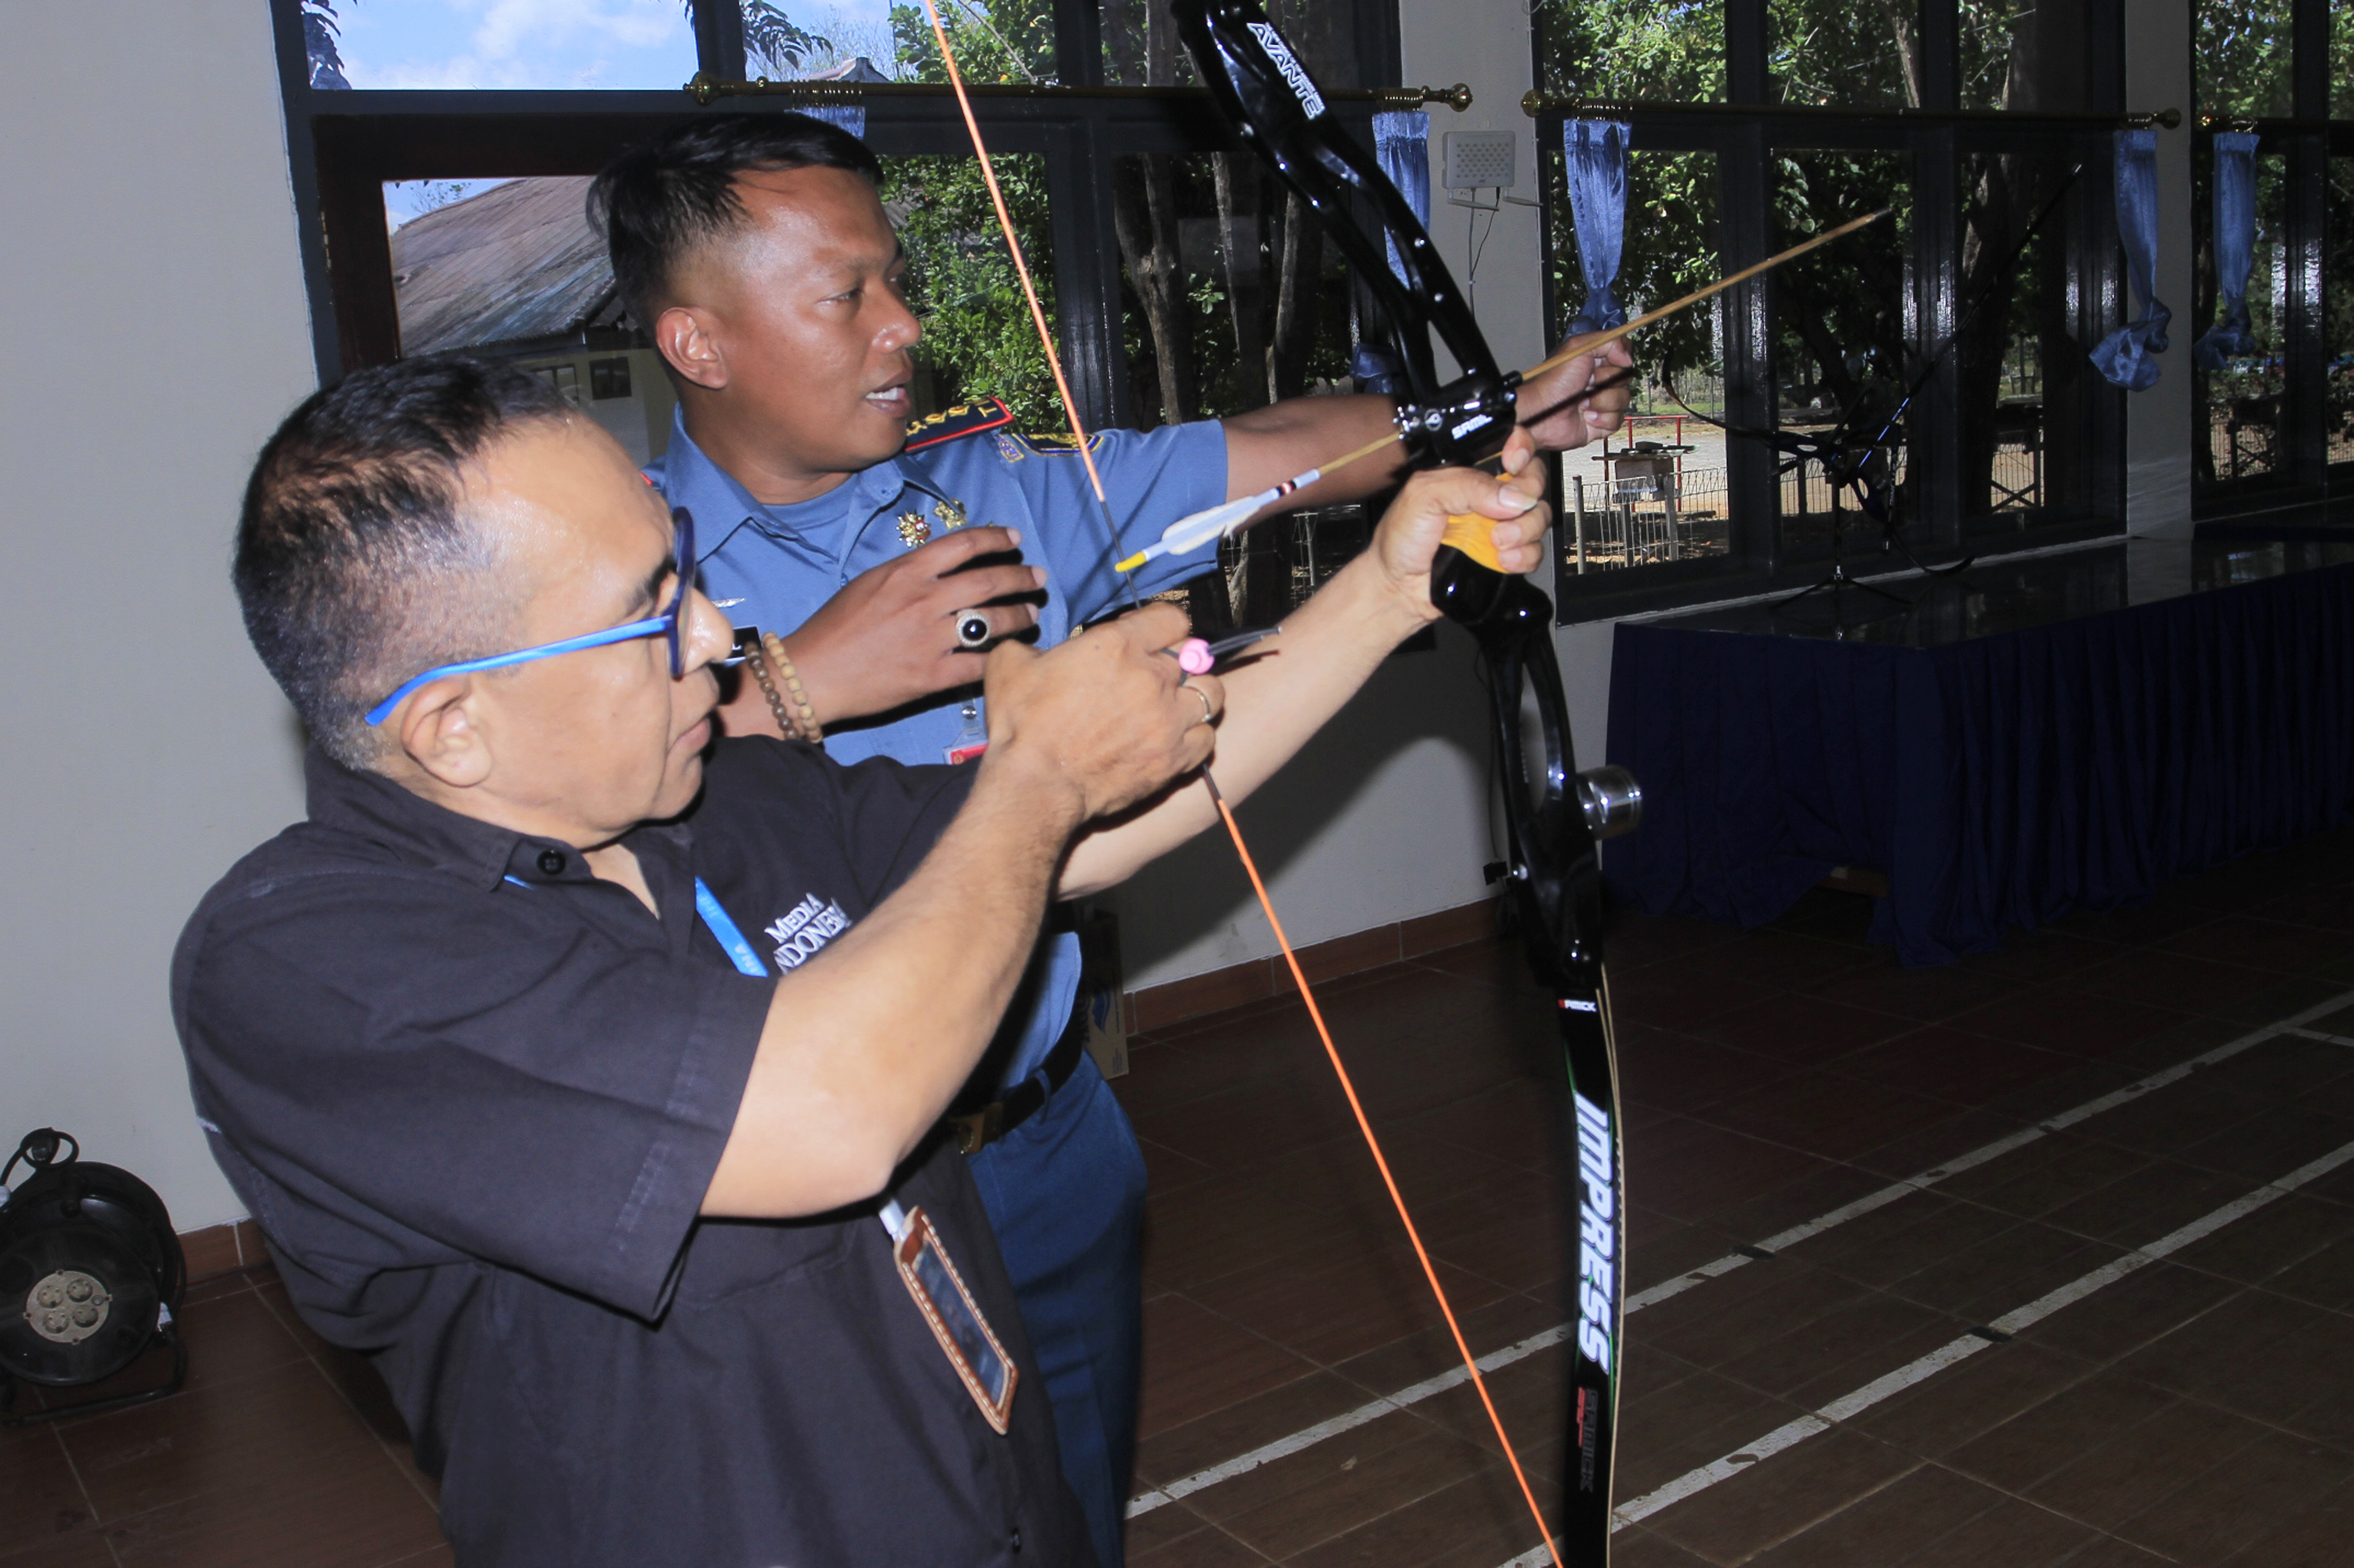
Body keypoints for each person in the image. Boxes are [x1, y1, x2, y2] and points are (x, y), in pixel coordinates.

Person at [174, 354, 1552, 1565]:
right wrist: (1035, 771)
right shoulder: (309, 960)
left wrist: (1384, 592)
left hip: (981, 1503)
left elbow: (1089, 832)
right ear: (453, 728)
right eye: (651, 609)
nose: (713, 638)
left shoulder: (708, 798)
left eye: (691, 573)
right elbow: (824, 1115)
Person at [591, 114, 1630, 1564]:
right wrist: (796, 679)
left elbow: (1278, 453)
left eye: (894, 281)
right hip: (797, 1206)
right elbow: (544, 807)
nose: (903, 327)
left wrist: (1489, 409)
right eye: (847, 295)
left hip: (1036, 1137)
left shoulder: (995, 494)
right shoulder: (616, 571)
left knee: (1071, 1517)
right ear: (697, 343)